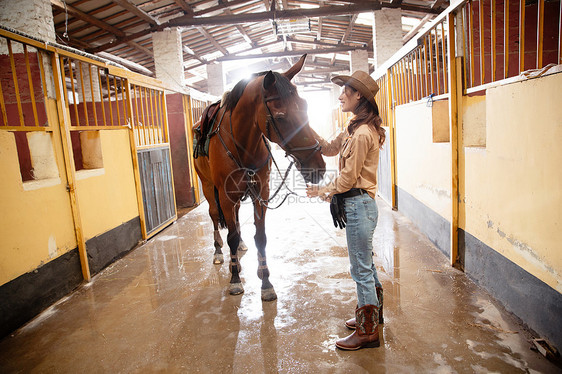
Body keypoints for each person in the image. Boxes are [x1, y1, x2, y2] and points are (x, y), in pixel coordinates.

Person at [306, 70, 385, 350]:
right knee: (367, 266)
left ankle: (367, 332)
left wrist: (321, 190)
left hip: (359, 205)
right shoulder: (353, 129)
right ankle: (374, 317)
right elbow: (328, 148)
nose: (340, 96)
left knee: (360, 270)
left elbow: (349, 179)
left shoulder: (363, 134)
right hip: (358, 205)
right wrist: (304, 127)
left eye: (345, 91)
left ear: (358, 95)